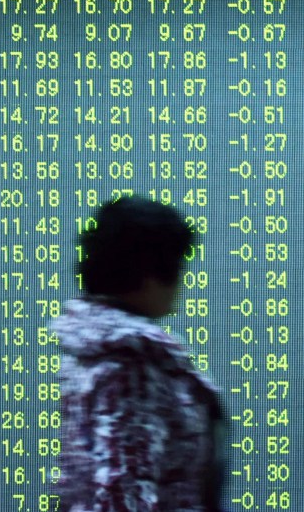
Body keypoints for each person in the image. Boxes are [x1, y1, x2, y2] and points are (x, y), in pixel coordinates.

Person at [50, 196, 229, 512]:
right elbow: (122, 491)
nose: (181, 283)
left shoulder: (92, 351)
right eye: (177, 266)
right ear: (151, 273)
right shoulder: (130, 366)